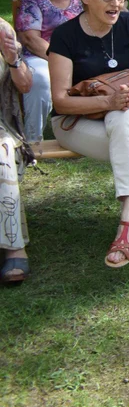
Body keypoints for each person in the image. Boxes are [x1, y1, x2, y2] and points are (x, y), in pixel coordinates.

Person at [48, 0, 129, 267]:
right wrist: (109, 101)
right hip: (74, 123)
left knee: (123, 120)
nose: (116, 4)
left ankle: (128, 223)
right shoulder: (64, 36)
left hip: (125, 113)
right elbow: (60, 101)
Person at [15, 0, 82, 142]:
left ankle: (85, 132)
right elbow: (30, 39)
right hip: (40, 56)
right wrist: (61, 61)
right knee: (42, 80)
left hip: (76, 55)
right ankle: (32, 141)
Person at [0, 19, 35, 283]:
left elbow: (25, 85)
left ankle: (14, 245)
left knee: (2, 151)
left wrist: (13, 60)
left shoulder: (2, 30)